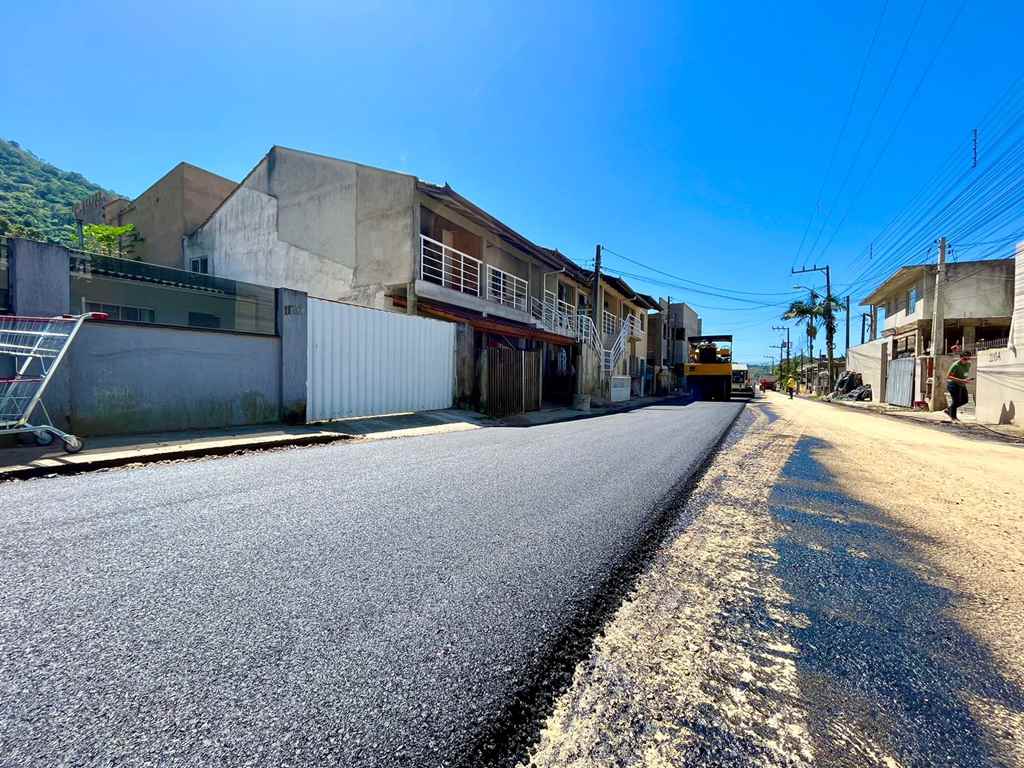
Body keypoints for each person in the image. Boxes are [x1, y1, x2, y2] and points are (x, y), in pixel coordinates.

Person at [945, 351, 972, 421]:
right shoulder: (956, 365)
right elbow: (949, 376)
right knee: (956, 401)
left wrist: (966, 379)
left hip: (961, 384)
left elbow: (964, 374)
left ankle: (949, 410)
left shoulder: (968, 364)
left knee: (965, 400)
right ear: (960, 358)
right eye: (965, 359)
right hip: (953, 384)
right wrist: (962, 380)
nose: (966, 361)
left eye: (968, 359)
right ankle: (953, 417)